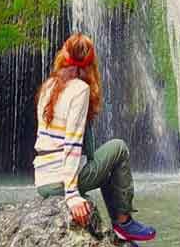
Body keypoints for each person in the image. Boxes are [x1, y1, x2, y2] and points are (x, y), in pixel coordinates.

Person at [34, 32, 157, 243]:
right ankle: (124, 222)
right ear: (90, 64)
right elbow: (71, 143)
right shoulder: (80, 89)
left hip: (43, 180)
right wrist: (72, 195)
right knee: (118, 148)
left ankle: (119, 227)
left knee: (108, 163)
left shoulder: (48, 86)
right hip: (62, 180)